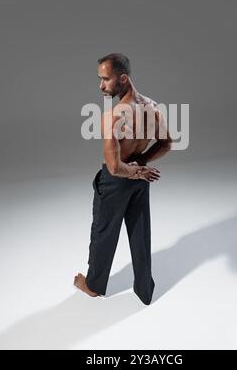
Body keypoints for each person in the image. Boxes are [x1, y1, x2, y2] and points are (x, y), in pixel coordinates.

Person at [74, 53, 172, 305]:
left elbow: (114, 167)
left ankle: (93, 286)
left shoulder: (114, 116)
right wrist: (141, 165)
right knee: (140, 233)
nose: (101, 85)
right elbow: (166, 143)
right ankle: (144, 290)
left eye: (106, 79)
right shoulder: (152, 106)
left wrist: (134, 169)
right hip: (140, 179)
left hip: (117, 182)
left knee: (103, 232)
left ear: (123, 78)